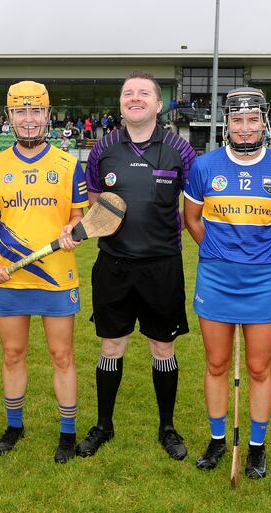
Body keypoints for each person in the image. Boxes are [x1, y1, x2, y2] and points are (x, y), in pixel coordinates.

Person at [77, 71, 196, 461]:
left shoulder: (180, 149)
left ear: (159, 105)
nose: (136, 98)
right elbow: (98, 205)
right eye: (129, 93)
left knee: (163, 346)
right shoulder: (102, 148)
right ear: (121, 104)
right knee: (112, 343)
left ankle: (168, 427)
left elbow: (195, 205)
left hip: (162, 266)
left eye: (145, 93)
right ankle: (103, 425)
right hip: (114, 265)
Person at [183, 88, 271, 479]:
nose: (245, 129)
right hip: (216, 279)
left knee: (259, 366)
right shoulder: (204, 167)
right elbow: (192, 219)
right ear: (226, 124)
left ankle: (256, 447)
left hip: (263, 280)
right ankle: (217, 439)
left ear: (263, 122)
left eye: (252, 121)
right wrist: (215, 251)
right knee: (216, 363)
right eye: (237, 120)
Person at [0, 81, 89, 463]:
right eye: (20, 112)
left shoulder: (69, 163)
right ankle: (14, 425)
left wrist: (73, 228)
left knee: (62, 356)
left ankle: (68, 433)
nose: (28, 120)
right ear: (9, 117)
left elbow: (78, 214)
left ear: (47, 114)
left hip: (57, 278)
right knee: (11, 354)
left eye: (35, 111)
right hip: (10, 276)